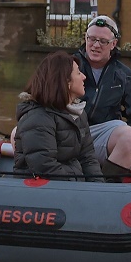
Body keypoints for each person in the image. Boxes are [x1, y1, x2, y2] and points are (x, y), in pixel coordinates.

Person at [71, 14, 131, 180]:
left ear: (113, 44)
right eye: (92, 39)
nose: (96, 45)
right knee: (18, 132)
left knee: (128, 133)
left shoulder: (125, 76)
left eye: (103, 41)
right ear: (85, 38)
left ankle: (107, 186)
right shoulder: (68, 65)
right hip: (68, 134)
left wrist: (129, 149)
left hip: (100, 139)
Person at [13, 51, 104, 180]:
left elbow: (88, 158)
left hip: (73, 186)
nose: (84, 76)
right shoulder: (37, 118)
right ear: (66, 82)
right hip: (43, 192)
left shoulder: (78, 113)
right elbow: (45, 168)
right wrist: (80, 184)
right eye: (78, 73)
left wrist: (98, 188)